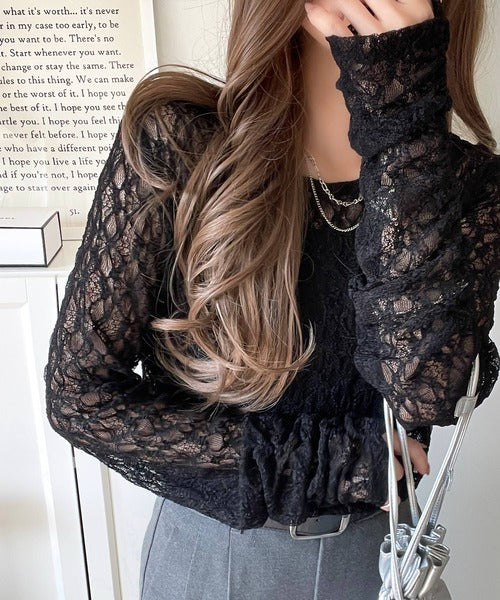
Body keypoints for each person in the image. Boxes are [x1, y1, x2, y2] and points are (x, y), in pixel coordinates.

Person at [44, 0, 500, 598]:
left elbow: (423, 392)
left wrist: (403, 117)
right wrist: (324, 466)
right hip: (215, 556)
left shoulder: (462, 184)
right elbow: (78, 395)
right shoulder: (181, 142)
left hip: (382, 558)